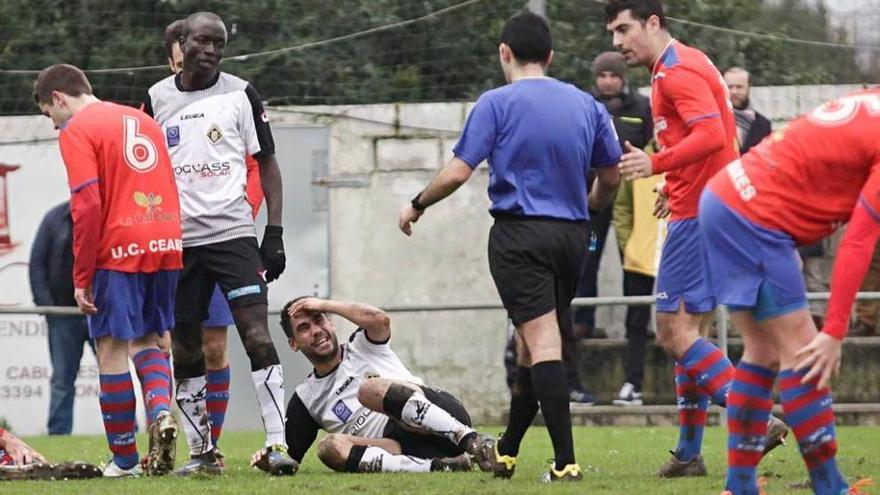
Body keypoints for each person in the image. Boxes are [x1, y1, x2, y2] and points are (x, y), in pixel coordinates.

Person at [398, 11, 621, 482]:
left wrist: (417, 203)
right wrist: (591, 207)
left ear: (504, 53)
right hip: (573, 237)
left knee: (542, 340)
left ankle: (565, 464)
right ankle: (507, 450)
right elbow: (611, 177)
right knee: (529, 342)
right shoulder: (587, 104)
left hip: (520, 235)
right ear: (551, 56)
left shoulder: (496, 103)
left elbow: (459, 171)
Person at [605, 0, 787, 477]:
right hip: (709, 205)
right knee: (693, 334)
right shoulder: (691, 59)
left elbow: (709, 134)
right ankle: (689, 455)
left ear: (652, 22)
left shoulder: (673, 74)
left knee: (673, 332)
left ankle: (754, 421)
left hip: (700, 218)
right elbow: (720, 139)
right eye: (612, 33)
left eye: (624, 29)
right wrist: (676, 184)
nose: (617, 42)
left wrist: (655, 165)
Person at [700, 89, 880, 495]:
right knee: (805, 351)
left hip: (726, 197)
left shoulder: (872, 100)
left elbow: (806, 151)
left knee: (761, 351)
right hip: (755, 218)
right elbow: (858, 242)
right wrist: (834, 331)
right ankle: (830, 486)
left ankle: (740, 485)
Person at [143, 11, 294, 476]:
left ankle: (276, 445)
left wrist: (274, 232)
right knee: (185, 347)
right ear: (181, 44)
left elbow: (267, 164)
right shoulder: (155, 99)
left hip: (233, 236)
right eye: (202, 42)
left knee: (254, 334)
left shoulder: (241, 94)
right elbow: (143, 169)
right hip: (179, 242)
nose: (210, 51)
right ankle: (203, 454)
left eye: (219, 44)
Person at [34, 64, 181, 477]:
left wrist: (82, 277)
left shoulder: (78, 130)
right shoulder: (142, 118)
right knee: (150, 338)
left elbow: (87, 204)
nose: (53, 125)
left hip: (120, 248)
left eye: (49, 114)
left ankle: (126, 460)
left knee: (111, 349)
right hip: (166, 241)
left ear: (59, 98)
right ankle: (160, 414)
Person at [254, 297, 494, 474]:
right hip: (399, 448)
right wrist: (269, 460)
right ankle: (442, 467)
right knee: (329, 447)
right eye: (304, 329)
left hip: (440, 416)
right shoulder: (306, 398)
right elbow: (288, 458)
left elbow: (380, 319)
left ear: (331, 323)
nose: (316, 331)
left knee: (368, 389)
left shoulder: (362, 345)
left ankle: (472, 442)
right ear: (294, 344)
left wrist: (325, 304)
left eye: (319, 320)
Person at [586, 50, 656, 406]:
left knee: (636, 266)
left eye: (613, 75)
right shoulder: (588, 106)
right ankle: (584, 319)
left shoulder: (643, 106)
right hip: (597, 201)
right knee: (589, 258)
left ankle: (644, 323)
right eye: (602, 76)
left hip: (636, 203)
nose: (608, 81)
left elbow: (652, 148)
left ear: (623, 76)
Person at [28, 201, 94, 435]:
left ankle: (125, 431)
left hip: (99, 313)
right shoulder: (54, 218)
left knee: (114, 373)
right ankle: (58, 434)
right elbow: (36, 263)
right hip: (63, 315)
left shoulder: (105, 215)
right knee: (62, 381)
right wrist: (48, 307)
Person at [723, 67, 772, 155]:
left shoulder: (764, 124)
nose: (734, 91)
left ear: (749, 87)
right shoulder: (716, 121)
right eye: (729, 87)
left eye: (739, 87)